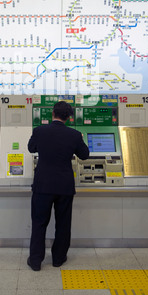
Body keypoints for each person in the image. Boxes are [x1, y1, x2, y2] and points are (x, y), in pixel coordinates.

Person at [27, 100, 89, 271]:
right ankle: (58, 259)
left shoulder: (39, 131)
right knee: (63, 223)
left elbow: (31, 149)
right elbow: (84, 155)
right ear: (68, 117)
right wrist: (80, 140)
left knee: (39, 223)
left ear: (52, 113)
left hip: (43, 185)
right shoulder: (75, 135)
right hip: (64, 186)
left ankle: (35, 261)